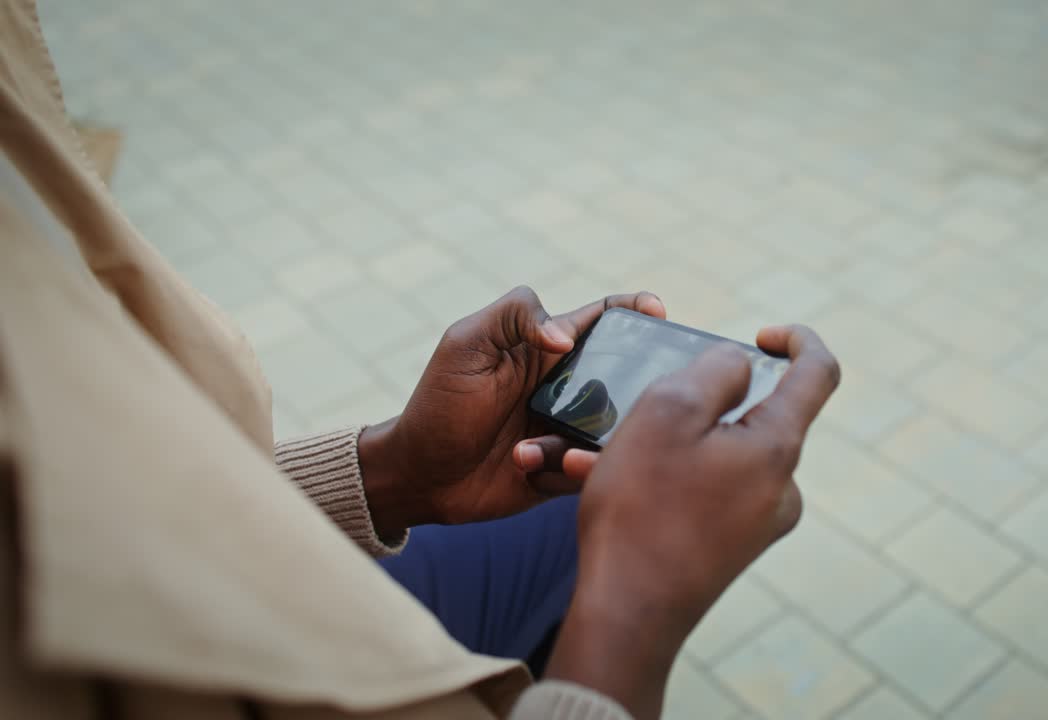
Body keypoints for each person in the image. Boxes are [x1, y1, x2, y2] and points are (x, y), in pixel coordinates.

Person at [0, 2, 841, 718]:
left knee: (564, 508)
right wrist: (625, 627)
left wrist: (393, 473)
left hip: (222, 597)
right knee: (608, 519)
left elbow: (75, 526)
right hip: (228, 664)